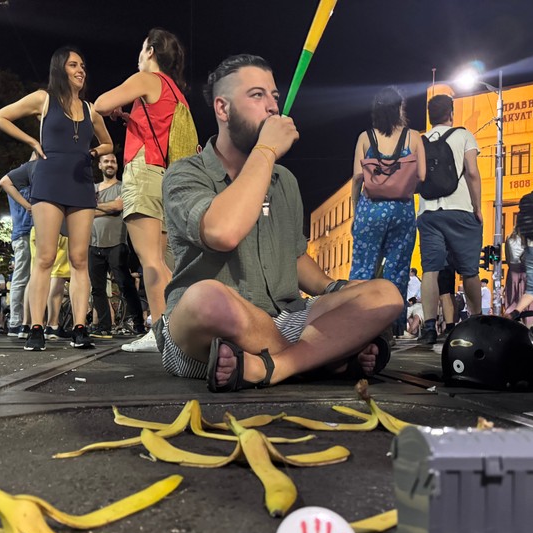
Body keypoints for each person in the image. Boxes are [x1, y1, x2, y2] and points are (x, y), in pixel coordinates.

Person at [159, 54, 403, 392]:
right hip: (217, 325)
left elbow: (295, 256)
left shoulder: (284, 180)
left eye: (274, 96)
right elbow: (222, 232)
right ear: (223, 109)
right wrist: (266, 151)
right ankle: (326, 358)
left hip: (288, 318)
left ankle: (271, 367)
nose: (273, 107)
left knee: (385, 294)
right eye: (257, 95)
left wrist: (336, 290)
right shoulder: (185, 174)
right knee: (206, 299)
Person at [0, 45, 112, 351]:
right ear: (61, 68)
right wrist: (32, 139)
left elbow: (109, 143)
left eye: (83, 65)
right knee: (44, 258)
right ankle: (36, 327)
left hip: (81, 182)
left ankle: (81, 327)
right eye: (74, 65)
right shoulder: (43, 99)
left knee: (79, 259)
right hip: (48, 181)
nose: (81, 70)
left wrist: (95, 152)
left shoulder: (90, 109)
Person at [95, 28, 191, 353]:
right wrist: (129, 116)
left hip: (144, 173)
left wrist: (114, 107)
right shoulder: (176, 92)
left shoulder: (147, 78)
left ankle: (159, 333)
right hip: (168, 179)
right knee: (165, 261)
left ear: (150, 50)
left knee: (149, 260)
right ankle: (177, 331)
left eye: (142, 48)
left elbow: (100, 103)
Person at [350, 86, 425, 334]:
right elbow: (422, 175)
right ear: (399, 108)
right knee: (398, 270)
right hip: (402, 210)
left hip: (369, 209)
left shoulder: (364, 137)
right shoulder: (413, 137)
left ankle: (356, 323)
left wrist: (356, 210)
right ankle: (392, 328)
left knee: (363, 268)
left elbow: (358, 178)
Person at [416, 94, 483, 345]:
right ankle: (477, 321)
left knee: (430, 271)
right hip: (460, 211)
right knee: (469, 271)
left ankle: (430, 327)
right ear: (451, 113)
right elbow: (473, 173)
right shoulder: (464, 135)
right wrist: (477, 207)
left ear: (430, 116)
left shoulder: (419, 141)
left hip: (429, 212)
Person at [89, 152, 146, 339]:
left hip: (117, 243)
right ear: (100, 165)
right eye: (106, 161)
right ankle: (104, 326)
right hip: (93, 244)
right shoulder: (93, 188)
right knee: (97, 288)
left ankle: (138, 324)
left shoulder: (124, 187)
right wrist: (105, 208)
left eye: (113, 161)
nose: (110, 164)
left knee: (125, 284)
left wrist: (97, 207)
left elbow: (118, 206)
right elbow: (85, 212)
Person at [0, 157, 36, 337]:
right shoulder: (22, 181)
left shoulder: (19, 181)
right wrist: (29, 206)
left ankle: (21, 321)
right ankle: (15, 322)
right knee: (22, 278)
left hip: (24, 232)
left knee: (25, 278)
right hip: (25, 233)